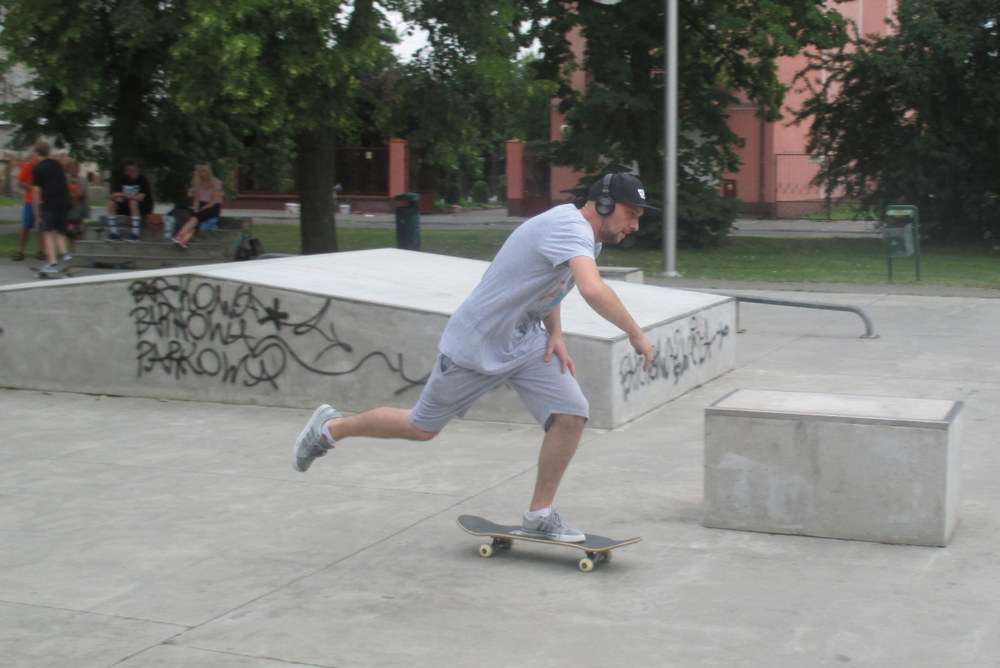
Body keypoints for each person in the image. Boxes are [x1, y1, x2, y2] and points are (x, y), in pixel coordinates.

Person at [292, 172, 657, 541]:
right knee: (421, 427)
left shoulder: (587, 240)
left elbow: (553, 283)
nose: (635, 225)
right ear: (606, 204)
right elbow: (593, 290)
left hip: (525, 340)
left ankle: (539, 515)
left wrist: (556, 333)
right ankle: (330, 429)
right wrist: (636, 333)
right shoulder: (568, 227)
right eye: (632, 214)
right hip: (478, 342)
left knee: (571, 413)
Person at [30, 141, 73, 274]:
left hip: (50, 203)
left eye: (34, 154)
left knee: (47, 232)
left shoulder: (37, 168)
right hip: (65, 203)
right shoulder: (57, 164)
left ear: (37, 154)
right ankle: (65, 255)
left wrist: (36, 211)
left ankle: (53, 263)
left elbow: (36, 191)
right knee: (59, 232)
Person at [173, 162, 223, 249]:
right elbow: (196, 199)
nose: (201, 173)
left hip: (213, 206)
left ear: (208, 171)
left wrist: (203, 209)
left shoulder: (216, 182)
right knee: (193, 221)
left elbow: (214, 200)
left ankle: (179, 236)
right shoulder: (197, 183)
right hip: (201, 204)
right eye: (199, 171)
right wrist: (196, 209)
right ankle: (183, 241)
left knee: (194, 218)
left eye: (203, 171)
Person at [106, 159, 153, 242]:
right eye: (131, 171)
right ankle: (114, 233)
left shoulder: (142, 180)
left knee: (133, 202)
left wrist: (123, 195)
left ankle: (135, 233)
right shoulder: (122, 180)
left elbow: (140, 198)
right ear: (126, 172)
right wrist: (118, 197)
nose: (134, 173)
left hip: (142, 206)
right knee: (111, 204)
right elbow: (114, 195)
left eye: (136, 170)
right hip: (125, 205)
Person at [12, 146, 44, 261]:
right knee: (26, 226)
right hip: (29, 201)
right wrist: (32, 187)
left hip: (42, 201)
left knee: (42, 227)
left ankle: (41, 251)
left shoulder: (44, 168)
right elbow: (20, 183)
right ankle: (20, 251)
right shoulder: (28, 167)